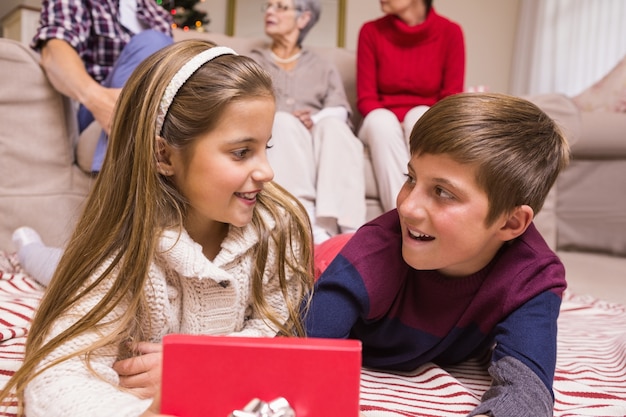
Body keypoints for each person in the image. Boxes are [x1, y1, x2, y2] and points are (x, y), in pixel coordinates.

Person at [0, 39, 314, 417]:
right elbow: (55, 377)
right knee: (45, 263)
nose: (267, 171)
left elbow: (278, 336)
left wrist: (198, 366)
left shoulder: (280, 227)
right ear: (164, 154)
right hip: (72, 262)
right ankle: (27, 243)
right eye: (241, 152)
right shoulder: (116, 257)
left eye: (267, 147)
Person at [305, 93, 571, 417]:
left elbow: (528, 391)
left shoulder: (533, 277)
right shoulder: (372, 256)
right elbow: (300, 363)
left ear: (511, 222)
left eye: (443, 192)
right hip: (326, 259)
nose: (406, 206)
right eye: (411, 178)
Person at [249, 0, 366, 243]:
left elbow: (340, 110)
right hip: (280, 139)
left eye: (280, 6)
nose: (270, 11)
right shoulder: (253, 62)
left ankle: (349, 234)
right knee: (283, 122)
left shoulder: (322, 66)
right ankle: (305, 223)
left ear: (303, 19)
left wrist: (313, 120)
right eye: (268, 6)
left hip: (319, 144)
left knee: (334, 126)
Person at [31, 0, 174, 173]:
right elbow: (54, 53)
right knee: (153, 41)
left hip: (153, 115)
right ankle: (121, 176)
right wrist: (98, 100)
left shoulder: (157, 13)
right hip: (97, 114)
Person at [356, 0, 465, 211]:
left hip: (425, 118)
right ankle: (399, 216)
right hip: (380, 121)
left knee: (420, 116)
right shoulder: (371, 31)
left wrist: (410, 124)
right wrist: (395, 125)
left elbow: (451, 98)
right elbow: (366, 98)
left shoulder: (450, 32)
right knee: (381, 122)